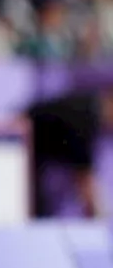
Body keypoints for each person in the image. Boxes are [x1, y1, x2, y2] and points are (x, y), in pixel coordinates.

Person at [22, 87, 113, 219]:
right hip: (15, 147)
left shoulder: (86, 106)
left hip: (29, 150)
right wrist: (101, 219)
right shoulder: (85, 117)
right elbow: (84, 180)